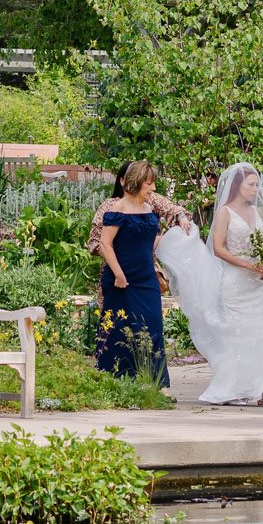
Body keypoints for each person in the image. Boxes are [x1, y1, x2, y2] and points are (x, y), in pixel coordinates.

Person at [158, 162, 263, 405]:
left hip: (255, 283)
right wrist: (247, 265)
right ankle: (233, 390)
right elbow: (218, 248)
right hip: (234, 282)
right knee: (236, 335)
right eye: (251, 185)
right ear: (238, 186)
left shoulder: (256, 213)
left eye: (257, 185)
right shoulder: (225, 212)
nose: (256, 189)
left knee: (260, 333)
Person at [95, 158, 169, 385]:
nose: (153, 188)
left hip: (146, 277)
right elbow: (104, 244)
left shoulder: (149, 210)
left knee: (153, 325)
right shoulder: (117, 209)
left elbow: (149, 242)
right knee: (121, 329)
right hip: (121, 279)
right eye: (149, 184)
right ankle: (115, 380)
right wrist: (118, 274)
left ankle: (157, 383)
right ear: (137, 183)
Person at [87, 164, 191, 253]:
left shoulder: (150, 199)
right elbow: (95, 242)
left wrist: (181, 217)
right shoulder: (110, 206)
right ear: (122, 181)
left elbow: (170, 208)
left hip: (147, 266)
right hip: (118, 267)